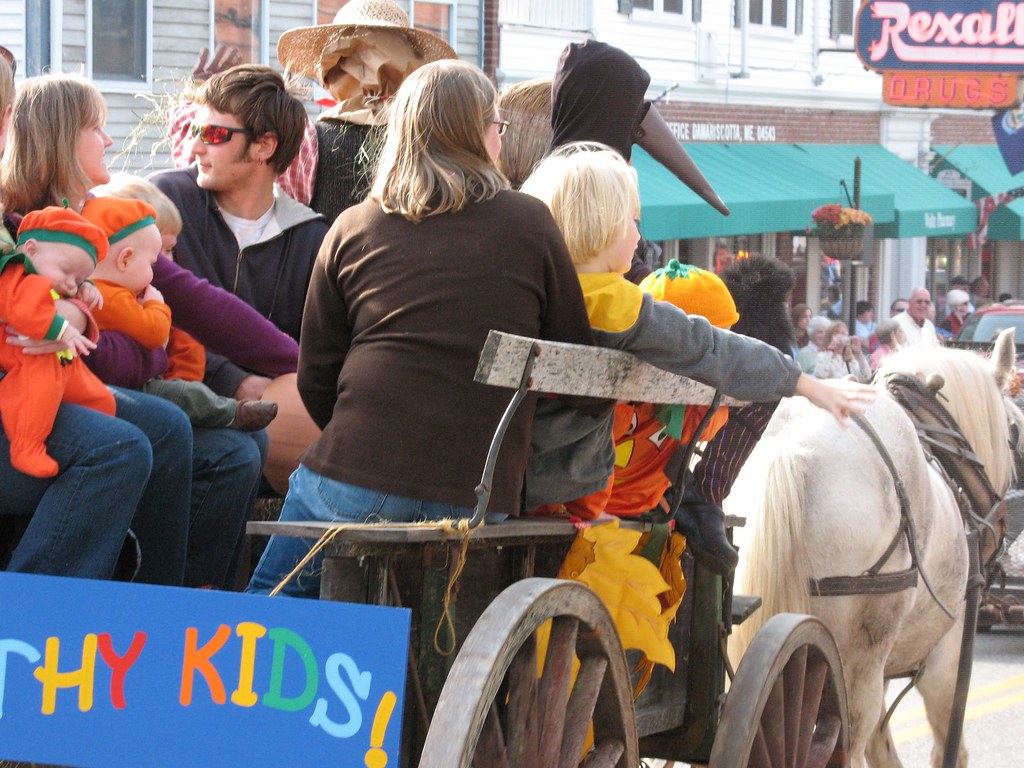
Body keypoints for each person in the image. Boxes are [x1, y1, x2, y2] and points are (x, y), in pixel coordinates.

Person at [247, 60, 598, 597]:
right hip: (476, 495)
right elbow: (580, 371)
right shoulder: (530, 222)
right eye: (496, 128)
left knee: (266, 619)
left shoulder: (352, 225)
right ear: (477, 133)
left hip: (352, 474)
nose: (499, 141)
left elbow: (315, 376)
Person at [517, 143, 875, 551]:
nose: (638, 236)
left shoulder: (528, 288)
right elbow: (708, 347)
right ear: (601, 227)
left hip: (509, 484)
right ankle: (702, 497)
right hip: (567, 498)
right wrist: (804, 383)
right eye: (633, 221)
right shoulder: (614, 304)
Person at [1, 72, 263, 589]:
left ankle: (191, 604)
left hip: (83, 376)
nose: (109, 140)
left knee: (238, 452)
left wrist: (293, 362)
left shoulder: (103, 218)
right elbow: (100, 348)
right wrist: (120, 335)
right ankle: (142, 611)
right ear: (58, 138)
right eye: (95, 127)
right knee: (157, 431)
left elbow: (190, 306)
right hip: (42, 385)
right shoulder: (31, 225)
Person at [169, 0, 458, 224]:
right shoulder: (440, 141)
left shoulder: (307, 144)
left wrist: (213, 98)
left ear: (331, 67)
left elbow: (203, 167)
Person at [81, 195, 279, 430]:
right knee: (186, 394)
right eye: (152, 264)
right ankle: (231, 414)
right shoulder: (112, 297)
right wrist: (156, 304)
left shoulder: (98, 290)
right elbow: (155, 334)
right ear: (125, 260)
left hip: (120, 381)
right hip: (128, 387)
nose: (155, 274)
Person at [0, 207, 115, 477]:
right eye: (67, 272)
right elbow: (23, 312)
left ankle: (96, 422)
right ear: (30, 249)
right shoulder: (15, 275)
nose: (72, 285)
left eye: (79, 279)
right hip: (23, 354)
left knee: (102, 400)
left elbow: (66, 301)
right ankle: (27, 445)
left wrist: (86, 289)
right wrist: (63, 329)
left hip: (60, 358)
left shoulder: (49, 276)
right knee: (37, 390)